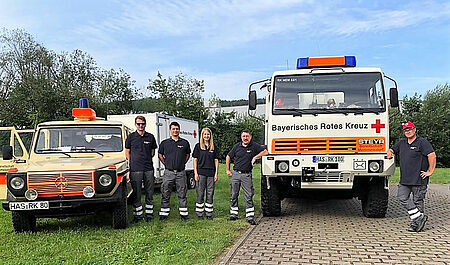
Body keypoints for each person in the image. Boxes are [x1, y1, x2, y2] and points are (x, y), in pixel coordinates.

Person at [387, 122, 436, 232]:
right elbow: (393, 150)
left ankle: (416, 224)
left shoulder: (422, 142)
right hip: (405, 179)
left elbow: (432, 155)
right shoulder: (402, 143)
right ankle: (419, 217)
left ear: (414, 129)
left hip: (419, 179)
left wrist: (430, 171)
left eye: (410, 129)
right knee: (402, 197)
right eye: (405, 130)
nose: (408, 131)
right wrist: (390, 152)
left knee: (418, 201)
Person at [226, 129, 268, 225]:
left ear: (250, 137)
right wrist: (227, 170)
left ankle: (250, 217)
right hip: (236, 174)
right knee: (233, 195)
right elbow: (228, 156)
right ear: (241, 137)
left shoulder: (254, 146)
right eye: (244, 136)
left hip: (247, 175)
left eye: (247, 136)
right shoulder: (237, 146)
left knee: (249, 195)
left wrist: (255, 157)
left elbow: (266, 151)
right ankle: (233, 214)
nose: (245, 138)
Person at [125, 116, 158, 222]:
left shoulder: (150, 137)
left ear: (145, 124)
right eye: (138, 124)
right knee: (137, 193)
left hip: (148, 168)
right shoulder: (131, 137)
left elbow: (153, 152)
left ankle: (149, 215)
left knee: (149, 192)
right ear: (135, 125)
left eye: (142, 124)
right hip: (135, 169)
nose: (141, 126)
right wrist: (133, 162)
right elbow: (127, 152)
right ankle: (137, 216)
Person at [158, 121, 191, 221]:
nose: (175, 130)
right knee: (165, 193)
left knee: (182, 193)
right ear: (170, 130)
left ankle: (184, 214)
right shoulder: (165, 143)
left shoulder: (184, 143)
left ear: (179, 130)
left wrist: (181, 164)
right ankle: (164, 214)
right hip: (169, 172)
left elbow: (187, 155)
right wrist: (167, 164)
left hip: (180, 172)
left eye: (177, 129)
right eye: (173, 129)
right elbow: (160, 155)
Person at [193, 128, 219, 220]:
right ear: (202, 136)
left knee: (210, 193)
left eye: (208, 134)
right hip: (201, 173)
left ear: (210, 136)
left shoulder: (213, 147)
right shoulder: (198, 146)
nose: (206, 136)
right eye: (205, 134)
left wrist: (216, 174)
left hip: (211, 174)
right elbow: (195, 160)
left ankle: (209, 213)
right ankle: (200, 214)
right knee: (200, 193)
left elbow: (216, 161)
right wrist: (195, 173)